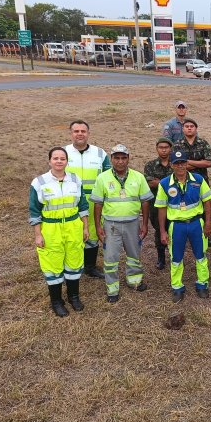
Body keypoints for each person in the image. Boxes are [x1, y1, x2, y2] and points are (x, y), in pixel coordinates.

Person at [29, 147, 89, 317]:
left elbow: (82, 205)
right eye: (55, 158)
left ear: (67, 161)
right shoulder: (39, 182)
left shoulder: (75, 179)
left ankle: (73, 297)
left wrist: (85, 227)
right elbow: (34, 211)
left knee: (74, 261)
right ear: (49, 161)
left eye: (62, 158)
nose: (59, 161)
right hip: (51, 228)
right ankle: (56, 301)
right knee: (53, 265)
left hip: (73, 226)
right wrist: (38, 234)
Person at [91, 144, 153, 303]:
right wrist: (98, 226)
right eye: (116, 158)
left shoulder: (138, 177)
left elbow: (145, 202)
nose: (120, 161)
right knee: (110, 257)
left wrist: (144, 224)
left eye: (123, 158)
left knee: (134, 254)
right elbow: (97, 204)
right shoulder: (102, 178)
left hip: (132, 224)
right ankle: (112, 288)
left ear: (128, 159)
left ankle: (134, 281)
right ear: (111, 159)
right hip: (111, 225)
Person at [155, 150, 211, 302]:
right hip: (176, 226)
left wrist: (208, 223)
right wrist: (162, 231)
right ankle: (177, 287)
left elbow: (207, 202)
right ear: (171, 165)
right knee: (176, 257)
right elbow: (161, 209)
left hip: (196, 224)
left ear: (187, 164)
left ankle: (202, 284)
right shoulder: (164, 184)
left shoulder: (199, 180)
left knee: (201, 255)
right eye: (177, 163)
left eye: (183, 163)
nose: (180, 166)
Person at [64, 120, 110, 279]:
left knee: (92, 232)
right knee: (70, 232)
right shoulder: (63, 153)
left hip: (93, 202)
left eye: (83, 131)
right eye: (76, 131)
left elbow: (108, 176)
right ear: (71, 133)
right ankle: (71, 265)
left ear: (88, 133)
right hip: (69, 202)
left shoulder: (100, 153)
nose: (80, 134)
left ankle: (90, 267)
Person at [143, 137, 174, 270]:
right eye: (161, 147)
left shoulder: (176, 163)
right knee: (159, 230)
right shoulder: (150, 165)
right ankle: (161, 257)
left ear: (170, 149)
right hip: (156, 204)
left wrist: (159, 181)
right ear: (157, 149)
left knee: (174, 230)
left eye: (166, 147)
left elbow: (181, 179)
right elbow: (150, 183)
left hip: (174, 204)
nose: (163, 150)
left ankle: (174, 256)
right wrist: (169, 182)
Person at [174, 118, 211, 182]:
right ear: (183, 129)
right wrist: (200, 163)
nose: (189, 128)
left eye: (192, 126)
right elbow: (177, 166)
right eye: (187, 126)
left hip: (201, 180)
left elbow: (208, 163)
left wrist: (187, 161)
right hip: (183, 181)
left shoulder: (203, 143)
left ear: (196, 129)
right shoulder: (177, 145)